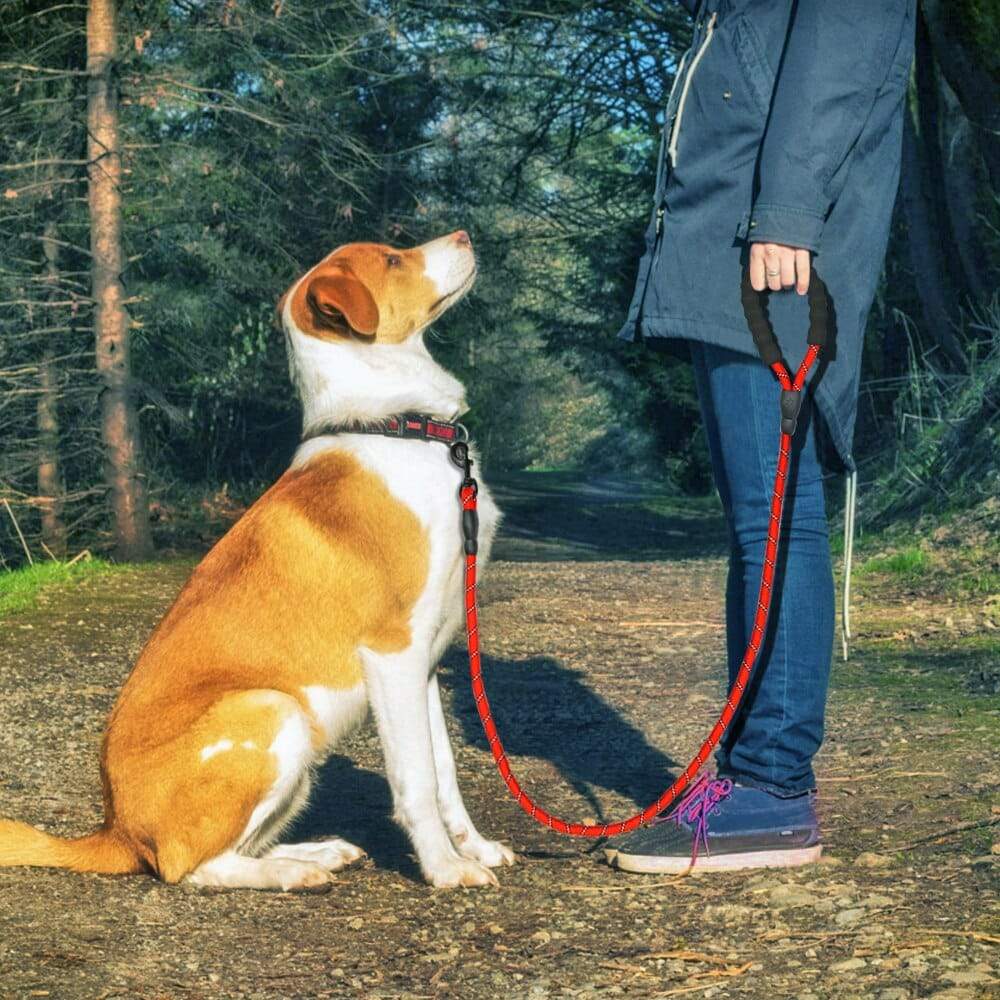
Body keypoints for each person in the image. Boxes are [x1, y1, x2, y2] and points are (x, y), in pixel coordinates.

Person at [608, 0, 916, 873]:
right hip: (734, 242)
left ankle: (774, 790)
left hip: (769, 246)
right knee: (763, 519)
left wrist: (785, 210)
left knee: (775, 519)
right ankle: (751, 777)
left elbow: (846, 48)